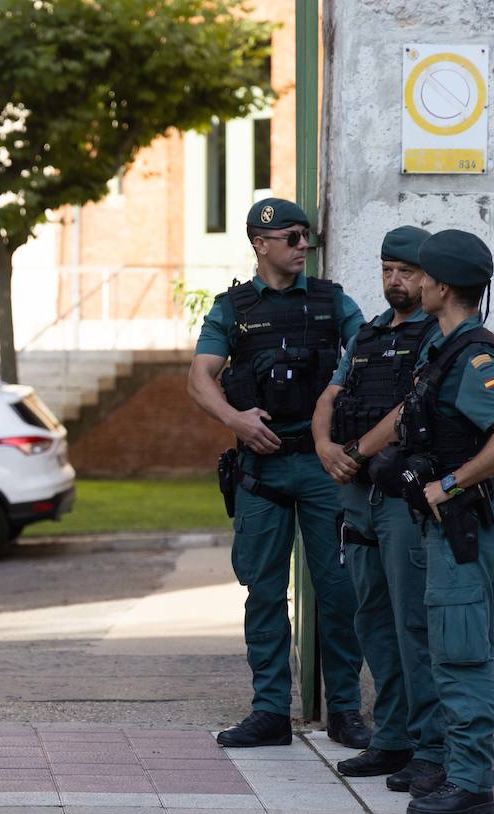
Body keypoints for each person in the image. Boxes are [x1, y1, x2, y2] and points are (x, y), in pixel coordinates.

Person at [345, 230, 494, 814]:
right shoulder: (442, 351)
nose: (412, 284)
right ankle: (454, 766)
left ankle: (472, 781)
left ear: (442, 285)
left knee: (461, 647)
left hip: (461, 524)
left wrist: (449, 485)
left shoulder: (475, 356)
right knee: (447, 642)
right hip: (443, 526)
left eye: (420, 275)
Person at [187, 197, 370, 749]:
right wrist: (235, 420)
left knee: (339, 591)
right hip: (261, 468)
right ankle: (270, 711)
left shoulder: (333, 302)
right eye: (291, 238)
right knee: (263, 591)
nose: (302, 247)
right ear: (260, 243)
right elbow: (200, 377)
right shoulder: (233, 308)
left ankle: (344, 711)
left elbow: (371, 355)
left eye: (305, 237)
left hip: (322, 465)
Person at [313, 226, 445, 793]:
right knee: (371, 617)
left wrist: (353, 452)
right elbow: (329, 397)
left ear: (429, 279)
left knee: (412, 621)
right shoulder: (365, 335)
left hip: (398, 497)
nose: (396, 280)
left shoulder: (437, 337)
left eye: (407, 272)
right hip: (355, 495)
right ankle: (390, 737)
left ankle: (429, 745)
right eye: (389, 269)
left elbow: (410, 406)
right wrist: (323, 448)